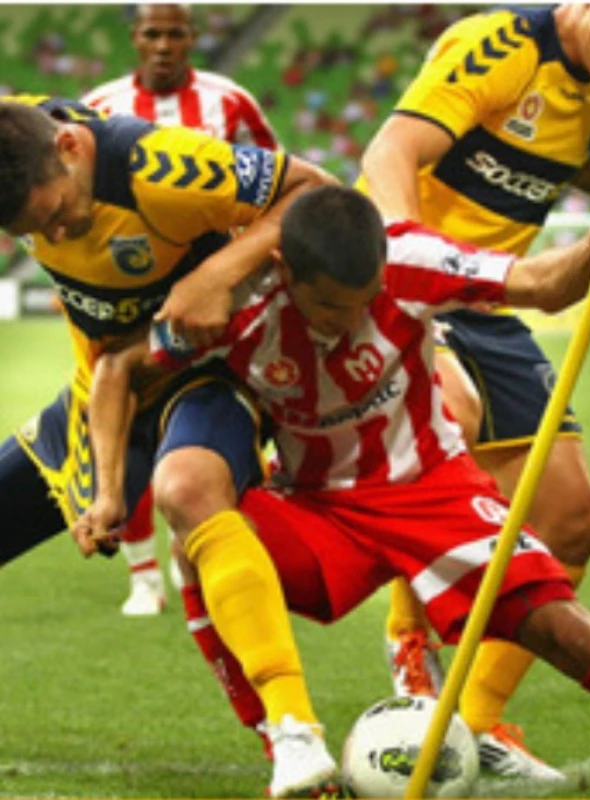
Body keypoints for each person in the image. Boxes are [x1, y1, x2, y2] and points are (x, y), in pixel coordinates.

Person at [79, 185, 590, 800]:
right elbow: (116, 371)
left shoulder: (410, 259)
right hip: (319, 509)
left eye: (362, 303)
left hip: (434, 493)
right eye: (328, 307)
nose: (346, 321)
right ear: (282, 270)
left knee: (567, 632)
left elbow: (545, 284)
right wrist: (108, 492)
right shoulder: (230, 303)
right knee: (195, 522)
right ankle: (288, 741)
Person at [358, 3, 590, 778]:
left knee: (574, 520)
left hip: (496, 304)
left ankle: (474, 723)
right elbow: (393, 146)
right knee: (448, 424)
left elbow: (589, 167)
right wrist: (404, 245)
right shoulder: (499, 46)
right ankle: (410, 644)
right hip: (411, 291)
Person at [0, 97, 341, 797]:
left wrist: (218, 273)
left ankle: (295, 731)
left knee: (188, 489)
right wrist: (106, 492)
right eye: (35, 231)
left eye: (58, 210)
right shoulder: (25, 139)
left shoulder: (160, 168)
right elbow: (113, 366)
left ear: (70, 148)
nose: (57, 233)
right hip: (109, 385)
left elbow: (318, 193)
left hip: (212, 366)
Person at [83, 3, 279, 617]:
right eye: (152, 34)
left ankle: (186, 536)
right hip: (124, 295)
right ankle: (143, 576)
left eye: (175, 33)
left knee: (211, 416)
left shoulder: (232, 101)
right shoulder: (101, 105)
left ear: (193, 38)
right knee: (127, 423)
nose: (164, 45)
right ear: (135, 40)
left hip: (216, 296)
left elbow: (272, 181)